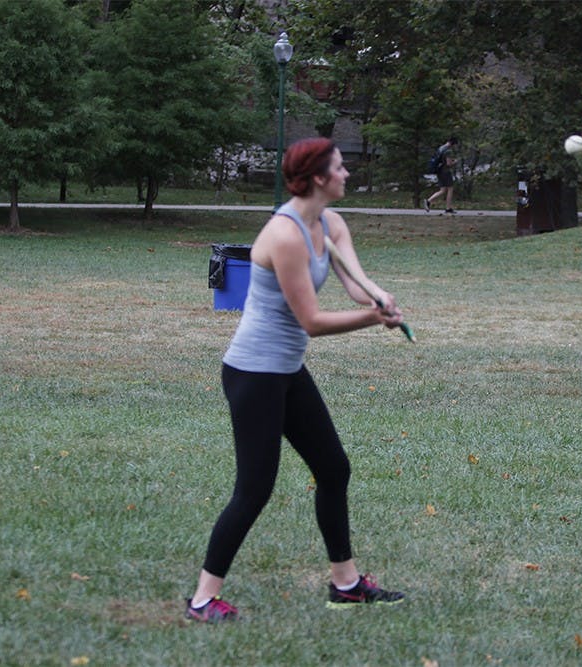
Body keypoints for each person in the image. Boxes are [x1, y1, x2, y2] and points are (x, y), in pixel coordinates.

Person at [185, 138, 407, 623]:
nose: (348, 174)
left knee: (333, 469)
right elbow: (310, 321)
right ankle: (202, 599)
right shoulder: (284, 235)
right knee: (254, 488)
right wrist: (374, 320)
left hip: (286, 371)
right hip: (254, 372)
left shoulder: (330, 223)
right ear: (320, 178)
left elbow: (354, 280)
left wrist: (378, 296)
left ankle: (346, 585)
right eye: (341, 167)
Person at [425, 136, 459, 214]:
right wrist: (455, 161)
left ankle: (428, 201)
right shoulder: (448, 151)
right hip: (445, 172)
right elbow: (448, 163)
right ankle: (448, 208)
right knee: (450, 188)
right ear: (452, 144)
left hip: (439, 171)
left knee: (443, 190)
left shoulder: (441, 148)